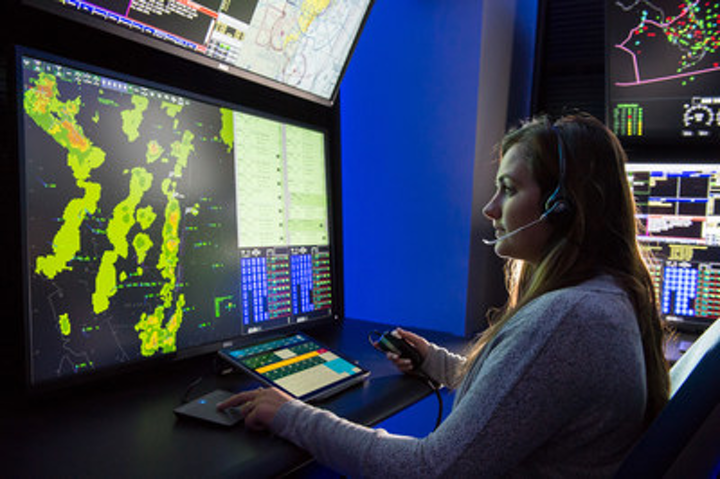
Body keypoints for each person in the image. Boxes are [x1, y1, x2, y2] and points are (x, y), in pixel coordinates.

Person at [218, 113, 670, 477]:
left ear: (563, 207)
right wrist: (437, 363)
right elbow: (522, 399)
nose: (490, 209)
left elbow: (431, 468)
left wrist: (292, 416)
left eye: (509, 190)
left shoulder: (567, 319)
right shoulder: (605, 299)